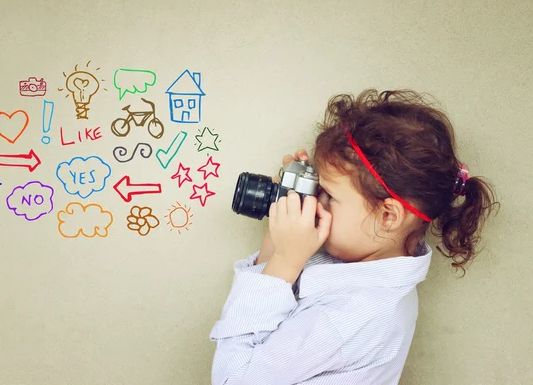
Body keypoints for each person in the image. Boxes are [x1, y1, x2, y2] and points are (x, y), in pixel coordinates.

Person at [209, 89, 498, 384]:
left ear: (388, 216)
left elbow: (233, 378)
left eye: (329, 195)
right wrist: (282, 220)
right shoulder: (364, 264)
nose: (316, 202)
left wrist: (284, 261)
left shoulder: (350, 317)